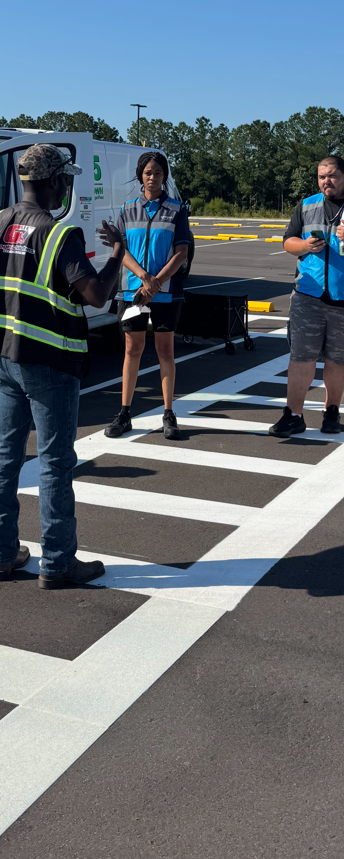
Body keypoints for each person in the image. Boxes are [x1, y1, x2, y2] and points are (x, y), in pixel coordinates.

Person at [0, 143, 125, 588]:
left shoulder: (1, 223)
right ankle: (57, 562)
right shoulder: (57, 233)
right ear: (54, 181)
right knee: (55, 463)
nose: (66, 186)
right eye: (65, 179)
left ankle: (1, 553)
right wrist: (116, 255)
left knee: (4, 459)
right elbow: (96, 296)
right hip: (49, 360)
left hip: (5, 357)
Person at [269, 155, 344, 437]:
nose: (327, 181)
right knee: (301, 356)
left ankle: (331, 411)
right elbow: (288, 241)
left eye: (332, 176)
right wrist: (304, 244)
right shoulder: (307, 204)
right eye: (322, 176)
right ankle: (293, 415)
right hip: (308, 295)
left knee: (339, 358)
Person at [104, 151, 190, 441]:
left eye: (158, 173)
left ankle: (168, 413)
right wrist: (143, 278)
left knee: (165, 351)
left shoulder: (177, 210)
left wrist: (157, 283)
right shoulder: (127, 209)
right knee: (132, 350)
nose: (153, 178)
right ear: (140, 175)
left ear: (165, 176)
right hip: (132, 292)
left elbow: (181, 252)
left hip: (165, 294)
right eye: (148, 172)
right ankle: (124, 412)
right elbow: (122, 250)